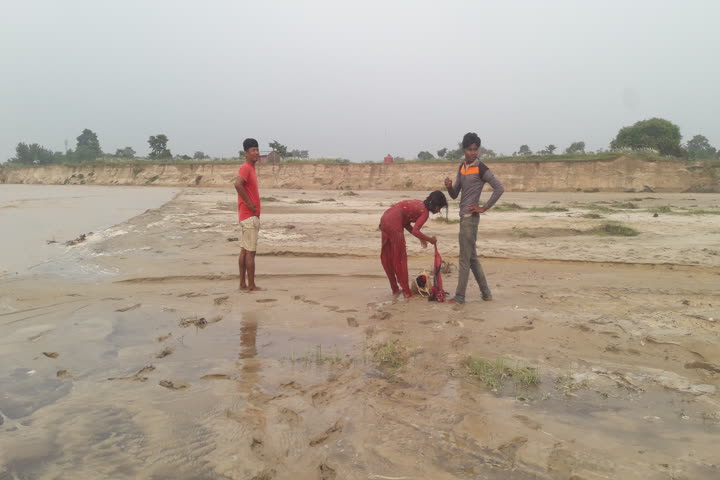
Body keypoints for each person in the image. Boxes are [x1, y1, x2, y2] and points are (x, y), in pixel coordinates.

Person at [444, 132, 504, 304]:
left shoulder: (482, 168)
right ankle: (486, 294)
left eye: (476, 149)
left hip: (471, 219)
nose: (473, 153)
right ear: (464, 150)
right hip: (464, 218)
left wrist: (483, 208)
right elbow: (455, 194)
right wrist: (449, 187)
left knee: (464, 259)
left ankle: (460, 296)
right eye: (470, 149)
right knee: (472, 258)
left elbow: (499, 188)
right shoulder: (462, 167)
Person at [380, 191, 448, 298]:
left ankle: (395, 289)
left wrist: (421, 238)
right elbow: (415, 230)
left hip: (385, 217)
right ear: (435, 205)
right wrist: (430, 239)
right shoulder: (425, 213)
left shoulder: (418, 204)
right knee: (400, 259)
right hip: (394, 220)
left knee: (387, 257)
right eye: (440, 208)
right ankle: (406, 293)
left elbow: (406, 223)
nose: (439, 211)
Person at [235, 138, 262, 291]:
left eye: (257, 150)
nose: (256, 153)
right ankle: (251, 285)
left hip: (247, 216)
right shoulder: (246, 168)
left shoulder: (250, 168)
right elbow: (237, 184)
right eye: (253, 150)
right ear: (246, 153)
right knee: (250, 252)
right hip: (249, 216)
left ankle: (242, 284)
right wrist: (250, 205)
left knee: (245, 251)